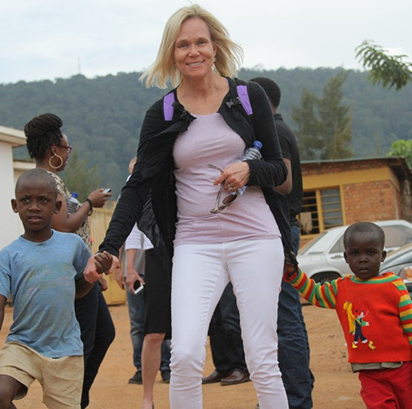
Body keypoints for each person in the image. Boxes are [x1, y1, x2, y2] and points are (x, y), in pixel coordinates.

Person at [85, 4, 296, 408]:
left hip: (256, 237)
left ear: (215, 48)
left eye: (201, 42)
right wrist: (109, 247)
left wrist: (248, 172)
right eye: (183, 45)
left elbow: (277, 169)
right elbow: (138, 186)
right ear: (171, 53)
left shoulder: (247, 97)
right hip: (195, 243)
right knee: (183, 354)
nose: (193, 51)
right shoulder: (163, 113)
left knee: (261, 356)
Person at [0, 169, 113, 409]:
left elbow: (79, 289)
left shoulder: (73, 245)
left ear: (58, 205)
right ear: (15, 205)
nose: (34, 207)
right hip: (22, 345)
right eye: (26, 200)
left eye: (43, 200)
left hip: (65, 350)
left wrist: (93, 275)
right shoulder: (8, 255)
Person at [285, 222, 412, 408]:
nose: (362, 259)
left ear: (382, 255)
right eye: (355, 253)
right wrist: (294, 274)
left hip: (402, 369)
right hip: (368, 372)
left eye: (370, 252)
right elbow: (315, 294)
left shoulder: (394, 287)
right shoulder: (341, 288)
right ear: (346, 257)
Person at [24, 113, 115, 408]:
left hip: (80, 269)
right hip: (69, 275)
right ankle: (72, 401)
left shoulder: (49, 179)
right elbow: (62, 226)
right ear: (53, 150)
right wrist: (90, 203)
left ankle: (78, 398)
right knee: (85, 343)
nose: (67, 153)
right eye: (67, 148)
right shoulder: (47, 182)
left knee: (104, 333)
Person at [250, 76, 314, 408]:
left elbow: (284, 183)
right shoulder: (273, 129)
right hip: (275, 228)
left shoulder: (273, 131)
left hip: (278, 229)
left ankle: (297, 398)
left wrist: (248, 175)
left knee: (284, 317)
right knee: (273, 318)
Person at [116, 158, 171, 390]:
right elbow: (130, 233)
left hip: (159, 262)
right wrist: (126, 268)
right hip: (139, 266)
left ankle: (167, 366)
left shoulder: (163, 190)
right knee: (140, 321)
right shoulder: (130, 198)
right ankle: (141, 367)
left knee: (163, 320)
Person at [202, 283, 249, 386]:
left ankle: (240, 367)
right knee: (215, 320)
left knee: (230, 317)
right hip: (212, 271)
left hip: (231, 271)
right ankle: (222, 367)